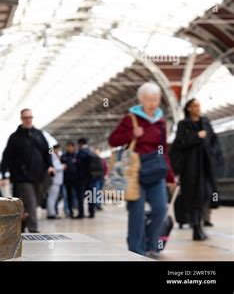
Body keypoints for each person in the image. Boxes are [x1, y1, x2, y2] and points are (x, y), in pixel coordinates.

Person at [109, 82, 175, 258]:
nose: (154, 103)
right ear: (141, 100)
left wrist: (170, 176)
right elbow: (113, 140)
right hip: (134, 171)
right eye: (149, 100)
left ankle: (150, 242)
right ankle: (136, 249)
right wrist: (131, 134)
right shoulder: (131, 118)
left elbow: (164, 150)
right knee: (136, 212)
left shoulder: (161, 121)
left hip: (156, 170)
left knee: (161, 208)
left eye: (156, 99)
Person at [171, 98, 223, 241]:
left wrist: (214, 157)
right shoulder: (183, 124)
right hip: (190, 168)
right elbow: (178, 144)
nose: (198, 108)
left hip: (206, 168)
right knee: (194, 197)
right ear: (189, 108)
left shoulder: (206, 122)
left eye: (199, 105)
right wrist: (196, 137)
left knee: (205, 195)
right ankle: (196, 227)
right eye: (195, 106)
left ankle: (199, 225)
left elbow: (214, 141)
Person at [1, 108, 55, 233]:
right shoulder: (14, 137)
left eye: (30, 117)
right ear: (22, 119)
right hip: (22, 177)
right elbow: (7, 156)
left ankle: (22, 221)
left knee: (35, 201)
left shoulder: (39, 134)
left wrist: (50, 165)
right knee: (31, 201)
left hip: (39, 175)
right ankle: (33, 228)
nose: (29, 120)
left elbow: (47, 151)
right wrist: (4, 174)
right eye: (26, 117)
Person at [75, 138, 96, 219]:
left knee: (80, 197)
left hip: (82, 178)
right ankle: (92, 213)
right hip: (91, 177)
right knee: (90, 196)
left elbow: (78, 165)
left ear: (80, 144)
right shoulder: (91, 152)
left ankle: (81, 213)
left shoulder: (81, 152)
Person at [60, 141, 79, 218]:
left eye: (71, 146)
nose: (69, 148)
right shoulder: (64, 156)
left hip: (76, 179)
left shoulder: (77, 156)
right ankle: (69, 211)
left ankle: (77, 210)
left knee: (76, 196)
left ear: (73, 147)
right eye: (68, 147)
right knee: (67, 196)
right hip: (67, 180)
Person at [47, 144, 65, 219]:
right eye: (58, 149)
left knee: (53, 197)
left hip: (56, 181)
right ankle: (51, 214)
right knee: (52, 197)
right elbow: (55, 167)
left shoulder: (54, 157)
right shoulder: (52, 157)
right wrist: (63, 167)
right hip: (54, 181)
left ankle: (52, 212)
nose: (58, 151)